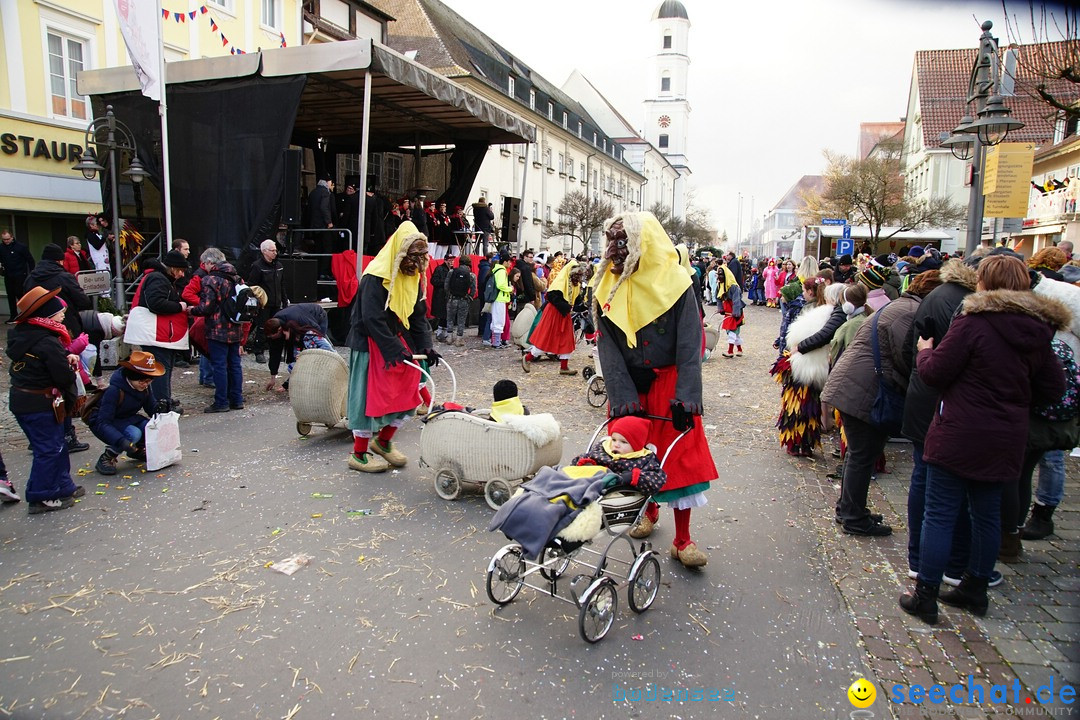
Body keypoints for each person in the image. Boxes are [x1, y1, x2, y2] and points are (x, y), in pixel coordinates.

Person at [899, 255, 1067, 624]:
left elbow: (936, 373)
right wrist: (1015, 398)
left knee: (940, 513)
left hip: (959, 432)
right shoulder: (1039, 330)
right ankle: (975, 589)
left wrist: (924, 352)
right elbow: (1055, 387)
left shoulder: (973, 322)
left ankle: (925, 595)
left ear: (984, 283)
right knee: (986, 513)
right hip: (1005, 436)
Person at [592, 212, 717, 568]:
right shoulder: (607, 289)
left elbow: (690, 344)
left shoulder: (677, 283)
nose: (614, 250)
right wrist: (623, 395)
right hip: (632, 385)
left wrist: (687, 396)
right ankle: (647, 512)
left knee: (677, 460)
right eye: (611, 240)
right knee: (634, 454)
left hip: (669, 385)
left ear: (642, 244)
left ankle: (682, 539)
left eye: (622, 241)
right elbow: (608, 348)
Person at [822, 271, 942, 537]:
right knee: (863, 455)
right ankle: (853, 516)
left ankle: (850, 508)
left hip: (856, 385)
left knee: (859, 454)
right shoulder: (908, 312)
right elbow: (905, 356)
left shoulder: (901, 306)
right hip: (863, 389)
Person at [345, 221, 436, 472]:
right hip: (370, 342)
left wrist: (426, 346)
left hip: (395, 339)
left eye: (421, 256)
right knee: (367, 397)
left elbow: (417, 316)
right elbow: (371, 318)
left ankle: (383, 442)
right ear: (399, 251)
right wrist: (393, 348)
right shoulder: (375, 276)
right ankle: (359, 455)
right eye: (412, 255)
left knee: (409, 392)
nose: (416, 262)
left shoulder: (414, 278)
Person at [6, 286, 84, 514]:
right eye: (60, 313)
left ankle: (62, 486)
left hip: (28, 401)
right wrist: (70, 365)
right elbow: (61, 376)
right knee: (49, 449)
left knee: (56, 445)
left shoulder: (29, 336)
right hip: (38, 403)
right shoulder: (46, 341)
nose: (63, 316)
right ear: (48, 316)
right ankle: (42, 496)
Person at [771, 276, 835, 457]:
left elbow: (796, 337)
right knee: (811, 406)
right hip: (818, 366)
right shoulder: (830, 314)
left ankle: (796, 442)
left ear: (810, 292)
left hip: (801, 363)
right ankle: (807, 443)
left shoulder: (811, 311)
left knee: (797, 407)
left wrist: (794, 348)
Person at [126, 250, 190, 411]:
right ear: (173, 268)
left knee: (161, 367)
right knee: (161, 368)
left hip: (156, 333)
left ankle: (163, 399)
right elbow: (155, 303)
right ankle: (162, 404)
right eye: (181, 270)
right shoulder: (159, 279)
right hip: (156, 334)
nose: (182, 275)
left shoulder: (157, 277)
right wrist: (179, 306)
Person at [89, 351, 165, 476]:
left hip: (127, 418)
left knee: (149, 427)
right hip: (104, 421)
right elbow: (102, 422)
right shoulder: (114, 390)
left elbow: (151, 409)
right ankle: (107, 457)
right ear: (132, 376)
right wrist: (121, 441)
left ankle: (136, 450)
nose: (145, 384)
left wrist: (161, 408)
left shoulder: (144, 387)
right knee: (134, 433)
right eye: (142, 381)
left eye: (149, 381)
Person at [189, 248, 245, 413]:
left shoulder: (210, 279)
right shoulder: (237, 278)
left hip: (217, 329)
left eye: (204, 263)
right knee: (235, 364)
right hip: (235, 327)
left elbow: (207, 307)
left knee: (219, 365)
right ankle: (237, 399)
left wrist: (192, 310)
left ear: (209, 262)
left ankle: (221, 402)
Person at [569, 415, 667, 496]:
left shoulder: (644, 459)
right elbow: (582, 458)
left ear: (636, 446)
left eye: (624, 442)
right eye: (614, 440)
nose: (616, 444)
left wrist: (633, 477)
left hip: (619, 494)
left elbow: (657, 479)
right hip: (591, 483)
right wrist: (587, 464)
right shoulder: (604, 448)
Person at [522, 260, 583, 374]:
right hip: (554, 313)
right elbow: (551, 296)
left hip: (564, 315)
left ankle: (564, 367)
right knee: (546, 339)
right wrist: (567, 307)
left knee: (567, 340)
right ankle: (528, 357)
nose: (578, 277)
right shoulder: (560, 282)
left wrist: (583, 306)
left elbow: (577, 300)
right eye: (577, 274)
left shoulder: (576, 285)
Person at [263, 303, 333, 392]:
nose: (273, 339)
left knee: (314, 355)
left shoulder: (307, 330)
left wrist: (308, 355)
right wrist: (273, 377)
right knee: (296, 360)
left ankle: (318, 382)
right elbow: (274, 353)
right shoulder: (277, 325)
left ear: (280, 330)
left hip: (317, 316)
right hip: (298, 326)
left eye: (273, 336)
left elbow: (318, 336)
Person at [245, 239, 288, 363]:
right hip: (263, 304)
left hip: (276, 302)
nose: (275, 253)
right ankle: (259, 351)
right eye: (272, 250)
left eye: (276, 250)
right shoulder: (257, 266)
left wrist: (284, 301)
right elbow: (252, 285)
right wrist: (257, 301)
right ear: (264, 251)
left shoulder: (279, 266)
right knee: (262, 327)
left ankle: (274, 352)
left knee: (276, 328)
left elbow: (282, 284)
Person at [1, 228, 35, 318]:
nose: (6, 241)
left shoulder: (21, 247)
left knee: (20, 294)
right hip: (8, 275)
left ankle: (27, 314)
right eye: (4, 239)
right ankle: (13, 315)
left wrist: (31, 273)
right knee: (10, 296)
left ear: (12, 237)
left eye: (8, 239)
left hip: (20, 275)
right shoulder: (1, 248)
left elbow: (30, 260)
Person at [443, 255, 475, 347]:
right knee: (461, 320)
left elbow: (446, 285)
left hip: (452, 299)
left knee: (450, 318)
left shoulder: (451, 272)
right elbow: (473, 289)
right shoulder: (471, 275)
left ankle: (449, 338)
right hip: (463, 300)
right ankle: (458, 339)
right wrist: (469, 297)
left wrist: (449, 294)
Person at [488, 251, 513, 350]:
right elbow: (500, 285)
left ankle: (496, 341)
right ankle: (496, 342)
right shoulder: (502, 271)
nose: (510, 264)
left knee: (497, 320)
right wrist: (510, 289)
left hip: (498, 298)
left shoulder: (497, 270)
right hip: (500, 298)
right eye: (509, 261)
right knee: (499, 320)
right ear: (505, 262)